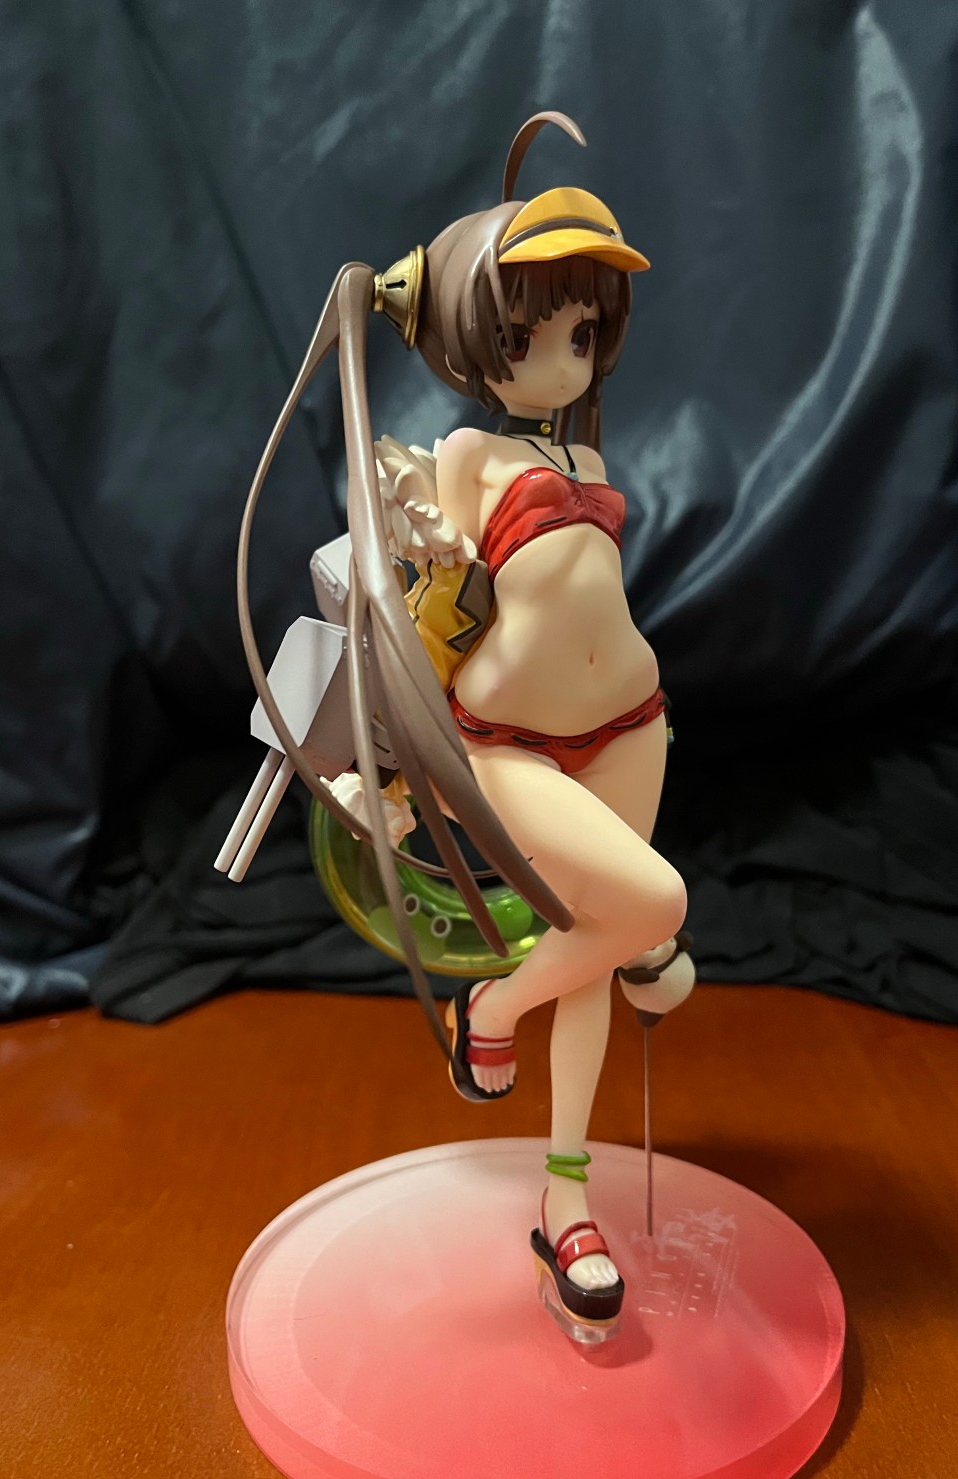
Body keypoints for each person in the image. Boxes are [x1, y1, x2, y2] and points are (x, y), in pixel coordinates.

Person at [235, 112, 694, 1337]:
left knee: (599, 944)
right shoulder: (465, 455)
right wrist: (399, 760)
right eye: (529, 336)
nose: (562, 361)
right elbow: (424, 603)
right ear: (473, 339)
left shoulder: (582, 453)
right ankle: (490, 1012)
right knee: (647, 907)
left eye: (582, 333)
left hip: (631, 722)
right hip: (510, 742)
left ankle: (567, 1205)